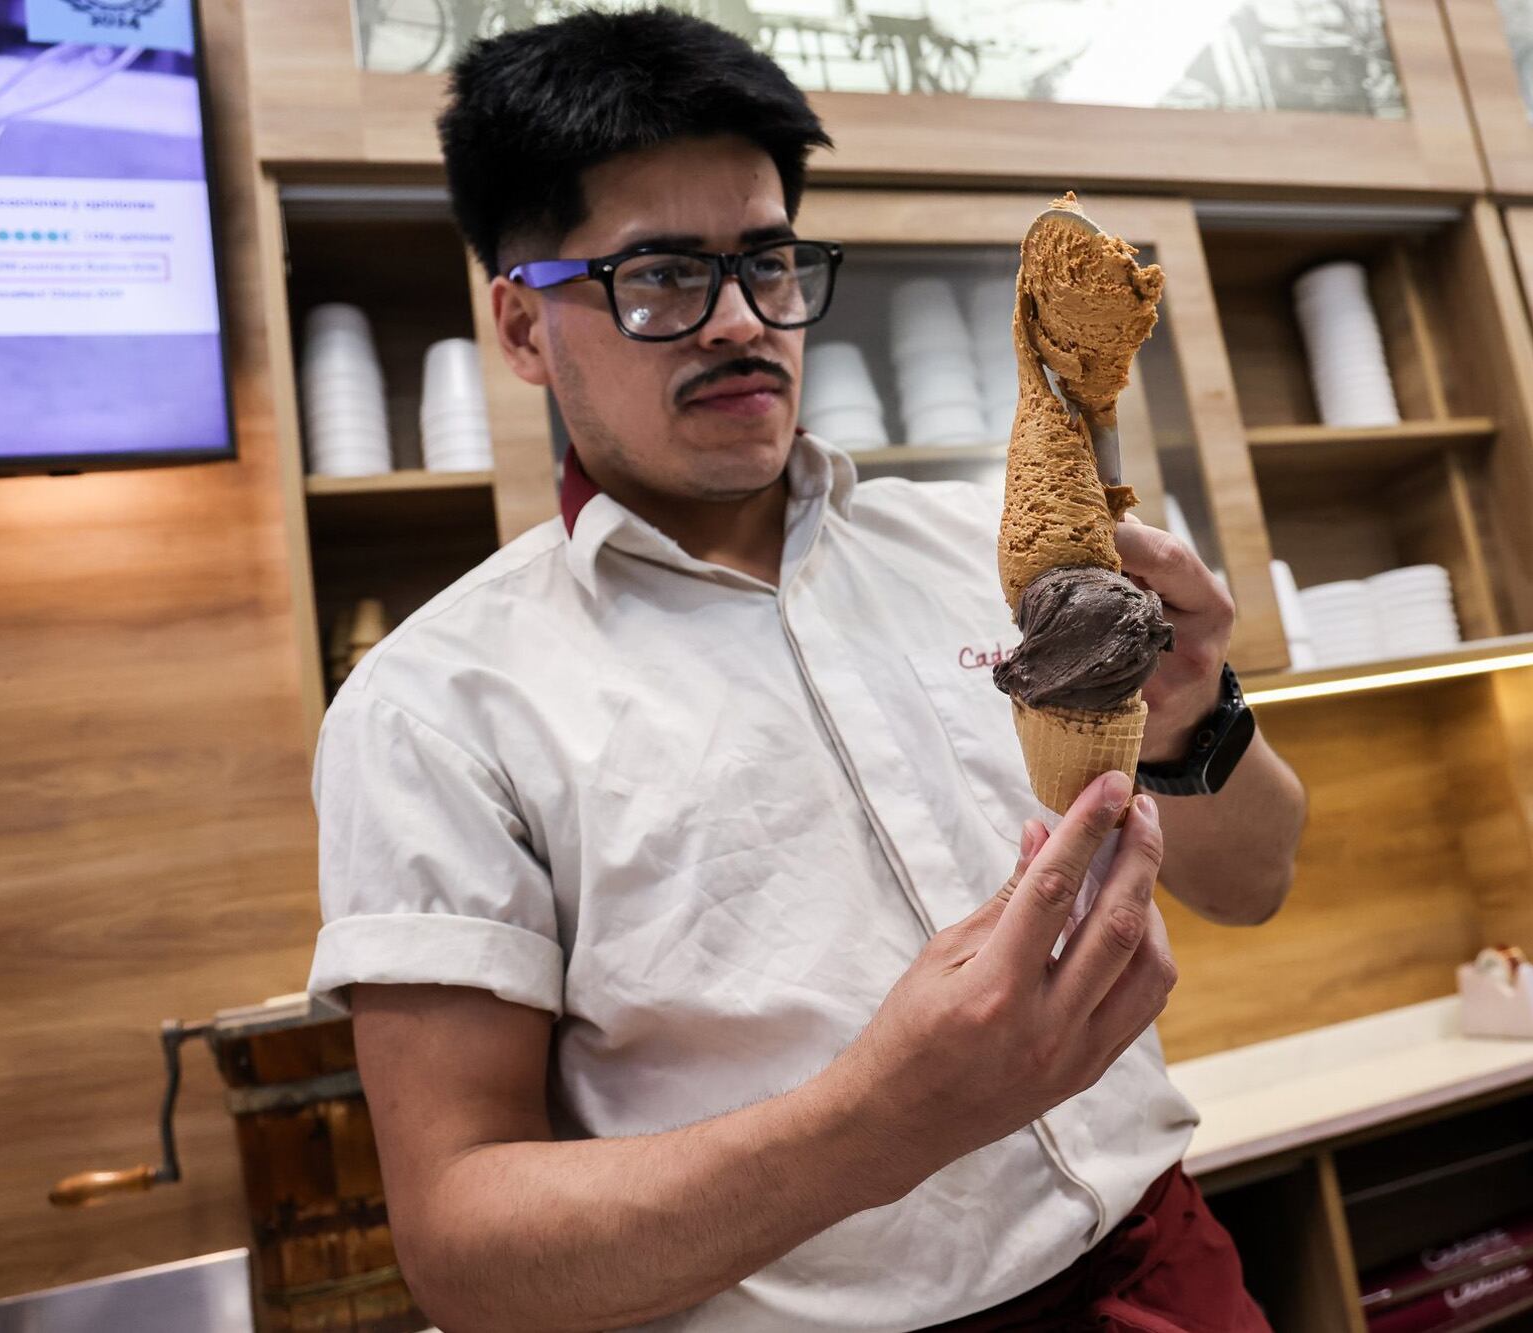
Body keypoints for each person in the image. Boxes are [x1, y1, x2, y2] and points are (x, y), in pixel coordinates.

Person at [308, 10, 1307, 1331]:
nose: (741, 322)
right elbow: (462, 1250)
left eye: (769, 263)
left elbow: (1256, 879)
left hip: (1163, 1270)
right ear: (523, 325)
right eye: (661, 276)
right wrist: (878, 1121)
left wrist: (1188, 718)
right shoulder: (436, 705)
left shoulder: (987, 554)